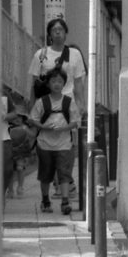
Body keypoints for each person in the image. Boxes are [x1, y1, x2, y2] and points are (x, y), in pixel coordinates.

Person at [27, 68, 82, 215]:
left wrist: (63, 128)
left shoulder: (69, 102)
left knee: (64, 173)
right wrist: (44, 127)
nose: (56, 84)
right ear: (48, 84)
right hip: (44, 144)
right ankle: (45, 201)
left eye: (60, 81)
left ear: (64, 83)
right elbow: (33, 119)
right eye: (53, 81)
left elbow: (76, 122)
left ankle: (65, 202)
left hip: (64, 144)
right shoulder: (41, 102)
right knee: (45, 174)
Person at [28, 17, 86, 111]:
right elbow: (35, 83)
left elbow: (78, 82)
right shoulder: (40, 55)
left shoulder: (75, 54)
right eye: (54, 30)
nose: (57, 32)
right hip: (46, 105)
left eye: (60, 29)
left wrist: (81, 104)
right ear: (49, 34)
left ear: (66, 32)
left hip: (68, 104)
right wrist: (31, 105)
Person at [6, 102, 37, 199]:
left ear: (23, 118)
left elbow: (32, 135)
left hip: (21, 152)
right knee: (9, 171)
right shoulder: (8, 128)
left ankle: (20, 186)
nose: (17, 119)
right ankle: (10, 189)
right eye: (15, 117)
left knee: (20, 168)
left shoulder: (25, 127)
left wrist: (26, 129)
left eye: (19, 117)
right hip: (10, 150)